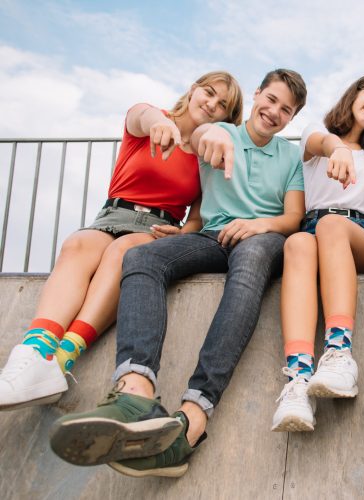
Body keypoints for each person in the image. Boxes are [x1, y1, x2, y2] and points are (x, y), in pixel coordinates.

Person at [48, 69, 308, 478]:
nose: (274, 112)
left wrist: (258, 224)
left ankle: (194, 417)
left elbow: (293, 217)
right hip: (209, 236)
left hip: (263, 239)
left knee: (249, 266)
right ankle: (136, 389)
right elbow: (205, 146)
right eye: (270, 100)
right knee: (143, 258)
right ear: (257, 95)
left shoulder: (289, 156)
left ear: (292, 119)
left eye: (286, 110)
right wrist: (216, 138)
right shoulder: (218, 130)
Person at [0, 71, 243, 411]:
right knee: (76, 245)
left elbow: (199, 218)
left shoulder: (206, 158)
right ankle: (31, 354)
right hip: (113, 216)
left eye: (222, 106)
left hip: (156, 228)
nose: (211, 104)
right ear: (192, 90)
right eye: (209, 93)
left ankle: (60, 361)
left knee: (123, 252)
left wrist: (185, 233)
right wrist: (159, 121)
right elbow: (139, 115)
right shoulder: (149, 118)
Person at [271, 75, 364, 432]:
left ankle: (340, 353)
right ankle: (297, 381)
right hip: (312, 230)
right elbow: (321, 142)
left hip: (359, 235)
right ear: (355, 93)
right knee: (296, 243)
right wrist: (338, 149)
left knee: (330, 224)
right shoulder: (318, 133)